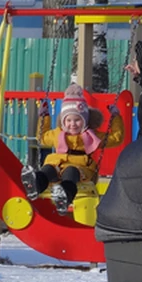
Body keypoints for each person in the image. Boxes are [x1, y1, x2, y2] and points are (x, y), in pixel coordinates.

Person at [23, 84, 124, 215]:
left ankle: (64, 196)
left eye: (77, 120)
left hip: (80, 167)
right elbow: (42, 137)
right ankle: (35, 184)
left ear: (85, 120)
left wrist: (116, 118)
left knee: (71, 172)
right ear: (63, 121)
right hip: (56, 164)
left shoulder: (91, 136)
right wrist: (44, 117)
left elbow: (116, 138)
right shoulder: (57, 133)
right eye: (68, 120)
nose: (72, 124)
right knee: (47, 170)